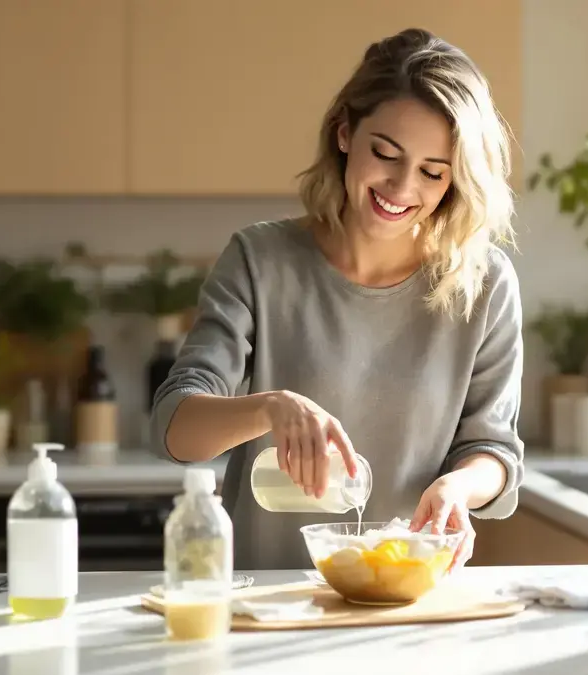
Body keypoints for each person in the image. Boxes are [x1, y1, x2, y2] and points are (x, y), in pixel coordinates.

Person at [148, 27, 525, 571]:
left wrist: (460, 488)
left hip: (409, 597)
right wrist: (270, 407)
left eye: (431, 172)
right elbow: (173, 428)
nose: (401, 187)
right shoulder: (262, 260)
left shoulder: (484, 282)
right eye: (385, 154)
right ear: (345, 133)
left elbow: (493, 448)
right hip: (269, 606)